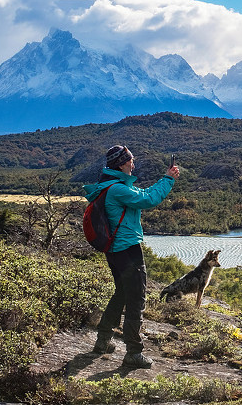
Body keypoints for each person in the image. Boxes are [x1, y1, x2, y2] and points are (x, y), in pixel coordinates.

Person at [83, 145, 178, 368]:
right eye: (130, 161)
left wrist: (164, 179)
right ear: (121, 163)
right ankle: (134, 353)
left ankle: (103, 340)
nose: (133, 164)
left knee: (122, 293)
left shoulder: (107, 186)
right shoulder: (117, 189)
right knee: (136, 299)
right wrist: (168, 179)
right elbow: (148, 200)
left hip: (113, 250)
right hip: (127, 249)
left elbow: (142, 195)